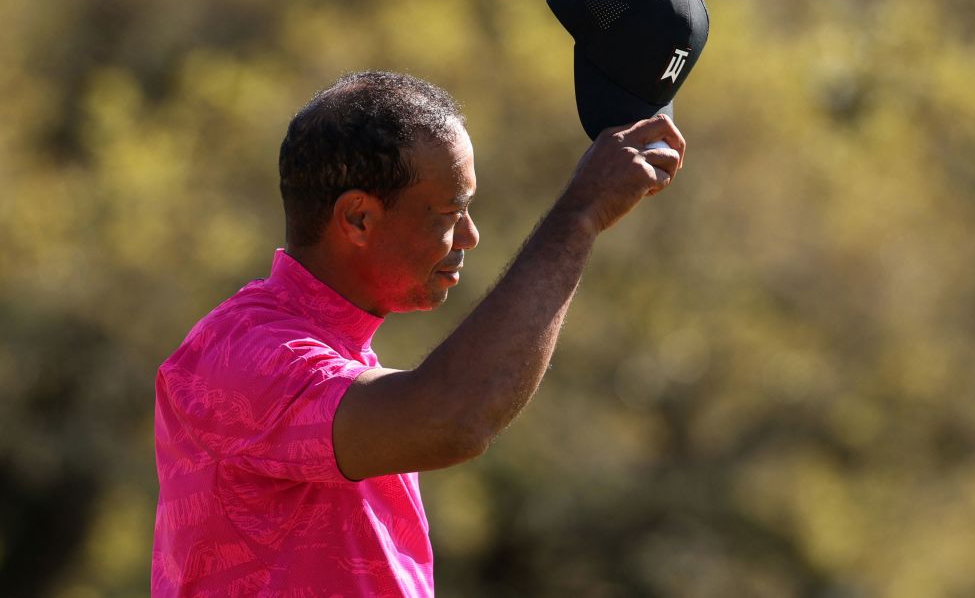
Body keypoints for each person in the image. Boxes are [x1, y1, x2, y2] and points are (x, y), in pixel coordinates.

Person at [152, 70, 685, 597]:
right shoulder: (242, 355)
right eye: (451, 212)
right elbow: (451, 419)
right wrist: (580, 215)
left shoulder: (330, 348)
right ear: (358, 218)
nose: (470, 237)